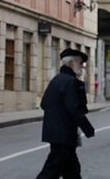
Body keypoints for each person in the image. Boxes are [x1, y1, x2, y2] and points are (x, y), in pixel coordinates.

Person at [35, 48, 95, 179]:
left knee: (72, 171)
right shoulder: (69, 82)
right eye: (80, 63)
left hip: (58, 134)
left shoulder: (57, 80)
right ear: (70, 64)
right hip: (63, 135)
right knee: (51, 171)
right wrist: (88, 128)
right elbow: (74, 109)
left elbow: (44, 103)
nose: (82, 67)